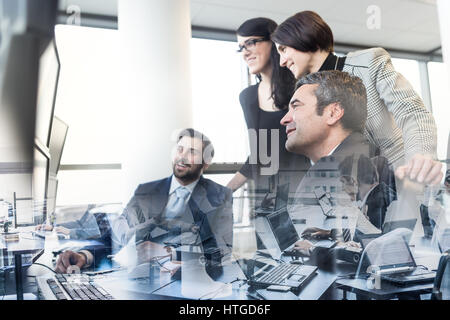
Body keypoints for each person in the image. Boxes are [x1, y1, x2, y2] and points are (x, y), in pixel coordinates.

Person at [272, 10, 442, 186]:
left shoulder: (369, 63)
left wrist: (420, 157)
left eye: (283, 50)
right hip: (354, 199)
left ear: (303, 36)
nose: (282, 62)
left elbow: (412, 112)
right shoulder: (304, 95)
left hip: (404, 182)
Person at [55, 129, 233, 274]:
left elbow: (220, 255)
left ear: (206, 163)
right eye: (180, 149)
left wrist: (169, 253)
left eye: (192, 152)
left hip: (186, 287)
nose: (183, 157)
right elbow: (114, 238)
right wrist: (85, 256)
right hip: (137, 280)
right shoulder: (146, 191)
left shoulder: (219, 196)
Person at [280, 70, 387, 260]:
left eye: (296, 107)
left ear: (333, 113)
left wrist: (315, 250)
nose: (284, 119)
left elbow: (379, 248)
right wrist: (328, 234)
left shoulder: (360, 167)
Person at [227, 17, 309, 193]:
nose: (245, 52)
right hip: (266, 201)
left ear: (273, 42)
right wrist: (224, 192)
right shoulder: (248, 97)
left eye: (250, 43)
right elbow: (258, 154)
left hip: (305, 198)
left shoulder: (302, 88)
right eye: (241, 47)